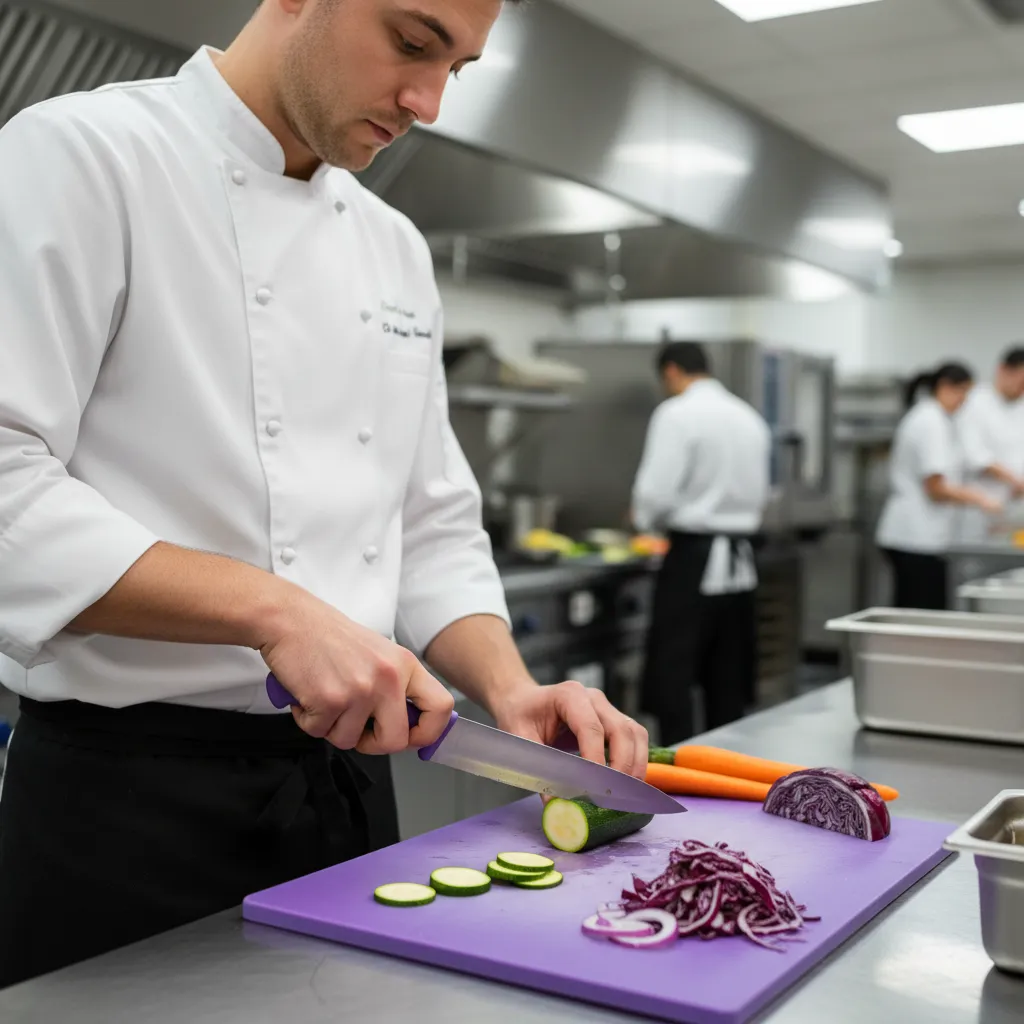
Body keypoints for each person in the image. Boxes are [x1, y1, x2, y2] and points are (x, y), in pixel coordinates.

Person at [0, 0, 649, 988]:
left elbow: (428, 520)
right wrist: (276, 611)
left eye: (458, 69)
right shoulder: (82, 156)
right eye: (412, 41)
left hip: (347, 797)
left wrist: (511, 691)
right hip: (123, 809)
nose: (427, 102)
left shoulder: (394, 248)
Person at [632, 342, 771, 747]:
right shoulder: (750, 417)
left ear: (671, 371)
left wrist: (644, 524)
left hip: (694, 558)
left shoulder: (676, 414)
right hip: (740, 563)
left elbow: (655, 492)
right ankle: (724, 770)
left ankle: (676, 772)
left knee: (674, 675)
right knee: (727, 678)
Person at [876, 363, 1002, 610]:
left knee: (916, 608)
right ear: (945, 386)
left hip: (921, 537)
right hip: (914, 537)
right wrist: (981, 500)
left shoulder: (937, 419)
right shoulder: (930, 421)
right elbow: (936, 488)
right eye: (963, 392)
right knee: (920, 611)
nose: (964, 401)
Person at [956, 347, 1024, 543]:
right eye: (1021, 382)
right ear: (1003, 370)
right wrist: (1014, 479)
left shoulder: (1021, 405)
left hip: (1013, 508)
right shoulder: (975, 402)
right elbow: (974, 456)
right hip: (979, 509)